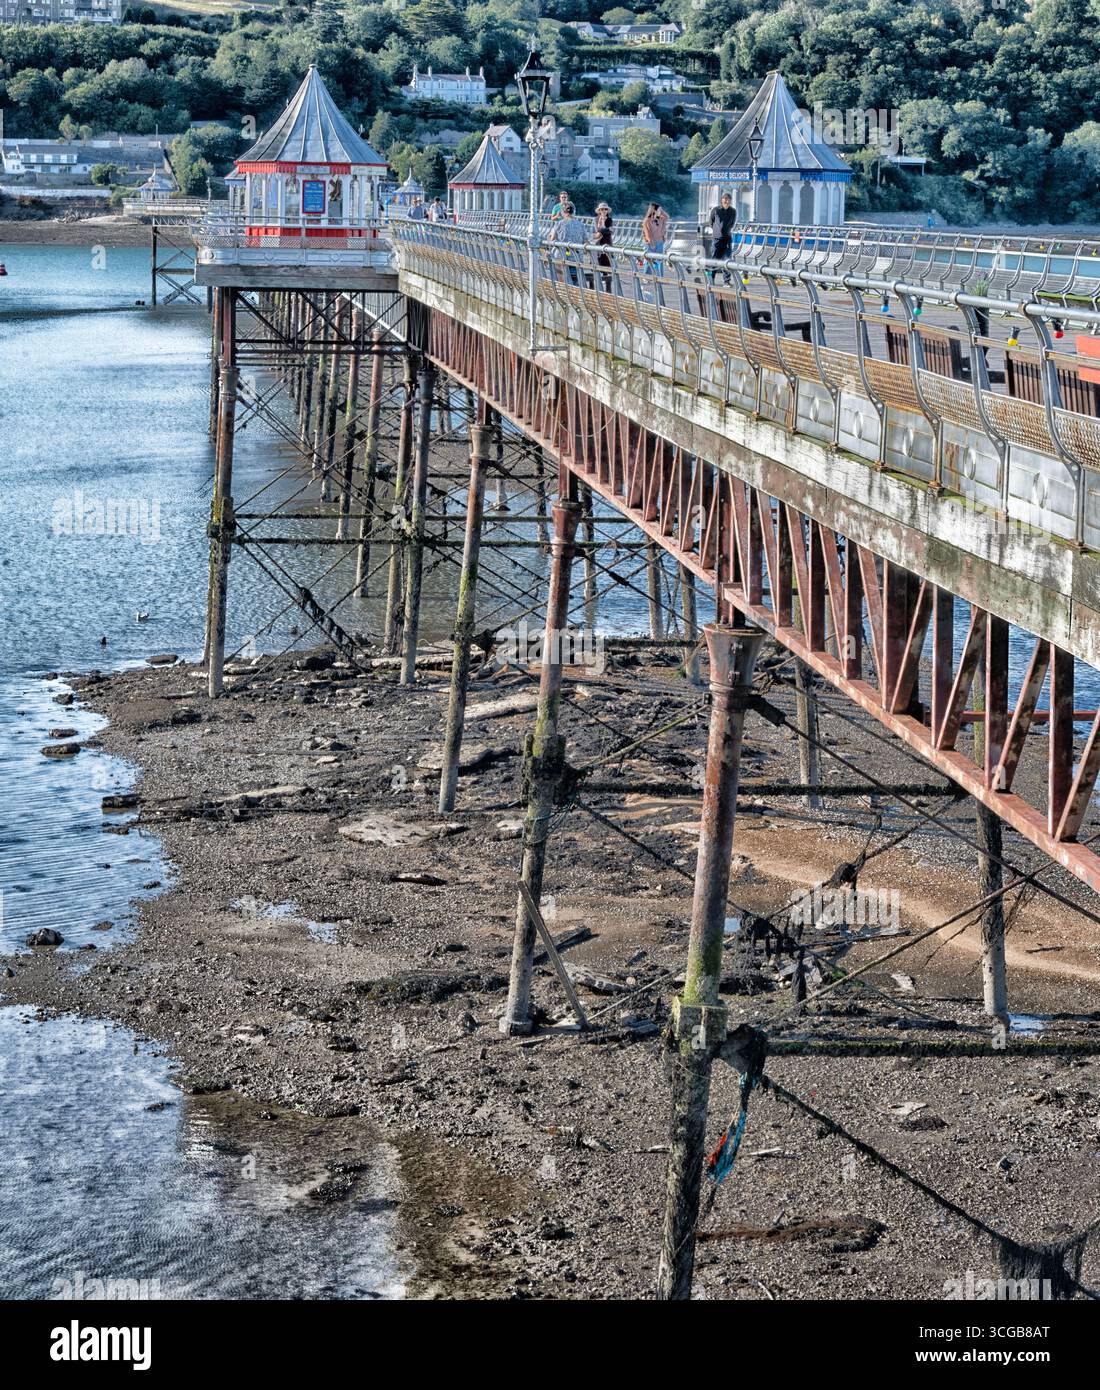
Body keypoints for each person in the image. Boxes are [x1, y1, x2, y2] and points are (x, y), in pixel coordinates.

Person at [549, 203, 588, 285]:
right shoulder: (581, 224)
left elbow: (552, 239)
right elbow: (586, 241)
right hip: (576, 256)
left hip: (561, 256)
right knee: (574, 282)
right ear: (573, 212)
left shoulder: (559, 223)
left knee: (562, 283)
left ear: (562, 212)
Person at [708, 191, 737, 268]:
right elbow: (711, 222)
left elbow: (732, 223)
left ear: (730, 201)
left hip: (727, 238)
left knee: (727, 259)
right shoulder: (716, 210)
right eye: (724, 199)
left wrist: (726, 231)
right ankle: (711, 277)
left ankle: (727, 280)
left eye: (727, 199)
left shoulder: (733, 211)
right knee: (714, 258)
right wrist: (717, 231)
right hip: (716, 239)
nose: (726, 201)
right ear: (721, 200)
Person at [593, 201, 613, 290]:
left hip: (607, 241)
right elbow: (597, 229)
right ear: (599, 210)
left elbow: (610, 230)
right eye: (602, 209)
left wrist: (601, 231)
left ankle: (606, 277)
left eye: (605, 209)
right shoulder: (596, 219)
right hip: (598, 241)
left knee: (607, 259)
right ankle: (598, 278)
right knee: (598, 258)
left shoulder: (610, 219)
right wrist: (604, 230)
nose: (604, 211)